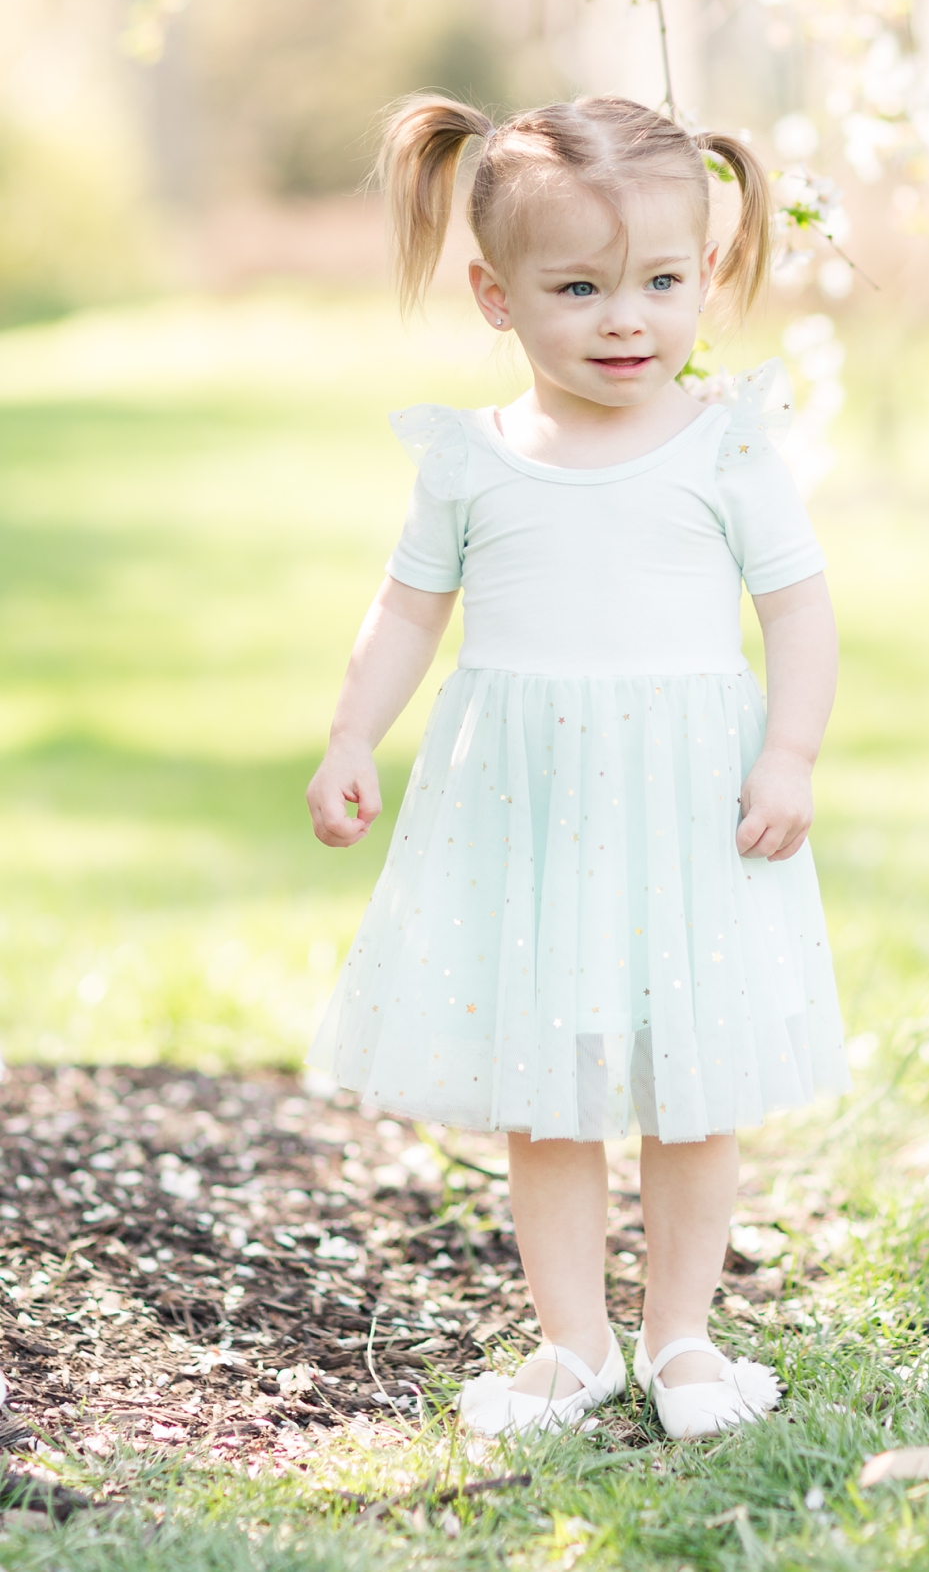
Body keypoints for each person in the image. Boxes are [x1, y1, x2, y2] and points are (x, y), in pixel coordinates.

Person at [305, 95, 848, 1442]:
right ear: (497, 295)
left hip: (686, 804)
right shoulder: (474, 462)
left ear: (706, 277)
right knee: (545, 1091)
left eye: (663, 281)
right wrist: (348, 731)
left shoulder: (723, 439)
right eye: (581, 286)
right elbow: (409, 610)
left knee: (688, 1078)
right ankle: (571, 1339)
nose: (627, 318)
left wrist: (790, 749)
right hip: (527, 809)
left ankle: (683, 1334)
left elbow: (799, 608)